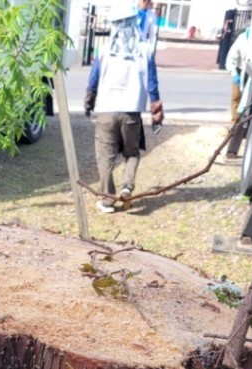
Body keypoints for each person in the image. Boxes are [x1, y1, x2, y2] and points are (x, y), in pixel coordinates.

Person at [84, 1, 164, 214]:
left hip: (106, 111)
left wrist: (88, 104)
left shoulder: (104, 51)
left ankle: (108, 200)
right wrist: (157, 114)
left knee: (105, 156)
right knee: (132, 152)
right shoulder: (146, 51)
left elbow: (93, 81)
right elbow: (153, 86)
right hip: (131, 113)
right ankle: (127, 187)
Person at [226, 28, 249, 129]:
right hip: (240, 71)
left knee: (249, 99)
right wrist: (234, 74)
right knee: (236, 97)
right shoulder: (242, 39)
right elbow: (231, 57)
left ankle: (247, 121)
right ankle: (234, 122)